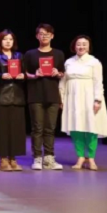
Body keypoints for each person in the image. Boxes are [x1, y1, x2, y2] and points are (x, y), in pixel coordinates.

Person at [59, 35, 107, 170]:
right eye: (78, 44)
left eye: (84, 44)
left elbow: (98, 82)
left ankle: (91, 158)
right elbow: (63, 82)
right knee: (76, 128)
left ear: (88, 47)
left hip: (89, 97)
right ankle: (80, 157)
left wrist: (98, 99)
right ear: (74, 46)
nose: (81, 47)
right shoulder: (69, 62)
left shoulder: (94, 62)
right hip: (72, 98)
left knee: (92, 127)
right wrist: (61, 98)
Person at [23, 24, 66, 170]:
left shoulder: (58, 54)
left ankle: (49, 158)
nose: (44, 36)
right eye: (41, 33)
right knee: (37, 129)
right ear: (37, 36)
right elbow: (24, 74)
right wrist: (34, 75)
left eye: (47, 34)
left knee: (50, 129)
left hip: (53, 96)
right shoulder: (30, 54)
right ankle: (37, 158)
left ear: (52, 36)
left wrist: (57, 73)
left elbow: (62, 74)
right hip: (35, 95)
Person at [0, 30, 27, 171]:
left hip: (17, 96)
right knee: (2, 129)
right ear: (0, 41)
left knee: (16, 129)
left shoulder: (19, 56)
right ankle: (3, 159)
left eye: (10, 39)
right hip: (1, 96)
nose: (8, 41)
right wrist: (0, 75)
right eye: (5, 39)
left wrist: (23, 76)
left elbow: (25, 73)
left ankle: (13, 158)